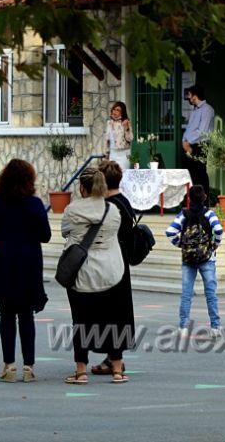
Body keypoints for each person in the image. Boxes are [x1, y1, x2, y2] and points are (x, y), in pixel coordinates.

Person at [0, 159, 51, 383]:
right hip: (28, 262)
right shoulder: (34, 204)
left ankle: (9, 365)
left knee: (6, 314)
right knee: (26, 315)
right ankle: (29, 366)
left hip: (3, 260)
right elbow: (45, 235)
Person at [61, 168, 129, 384]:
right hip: (111, 269)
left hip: (82, 271)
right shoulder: (112, 210)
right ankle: (117, 369)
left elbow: (65, 232)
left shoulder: (72, 210)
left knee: (80, 320)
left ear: (82, 187)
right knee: (113, 319)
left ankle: (81, 370)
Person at [90, 160, 136, 376]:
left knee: (109, 312)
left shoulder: (110, 206)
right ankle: (113, 357)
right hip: (122, 263)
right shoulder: (125, 202)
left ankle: (113, 359)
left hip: (110, 264)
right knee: (119, 311)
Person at [165, 185, 223, 337]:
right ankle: (215, 327)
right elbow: (218, 230)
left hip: (188, 258)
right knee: (210, 293)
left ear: (189, 198)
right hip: (207, 257)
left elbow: (170, 232)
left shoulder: (184, 214)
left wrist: (181, 244)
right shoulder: (209, 214)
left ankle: (183, 326)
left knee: (186, 293)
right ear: (204, 197)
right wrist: (215, 244)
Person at [182, 85, 214, 199]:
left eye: (190, 95)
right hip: (189, 145)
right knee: (191, 175)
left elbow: (202, 131)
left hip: (200, 145)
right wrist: (184, 141)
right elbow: (190, 128)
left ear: (195, 95)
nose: (188, 98)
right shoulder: (194, 110)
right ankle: (193, 201)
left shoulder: (207, 110)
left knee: (200, 173)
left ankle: (204, 202)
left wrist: (189, 142)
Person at [105, 101, 132, 170]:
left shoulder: (126, 122)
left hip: (123, 154)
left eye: (118, 110)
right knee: (112, 175)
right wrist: (107, 154)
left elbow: (130, 139)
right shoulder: (109, 123)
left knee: (123, 175)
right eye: (114, 109)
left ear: (122, 112)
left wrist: (126, 128)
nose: (115, 111)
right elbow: (107, 140)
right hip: (113, 153)